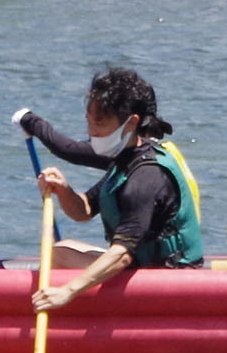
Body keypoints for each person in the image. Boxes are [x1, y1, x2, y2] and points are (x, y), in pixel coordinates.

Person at [20, 67, 205, 312]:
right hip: (143, 265)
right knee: (61, 249)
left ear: (132, 123)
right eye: (89, 121)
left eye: (100, 123)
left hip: (169, 280)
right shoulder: (125, 158)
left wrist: (68, 291)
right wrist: (64, 190)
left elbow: (121, 255)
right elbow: (84, 210)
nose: (91, 132)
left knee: (58, 257)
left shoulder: (145, 176)